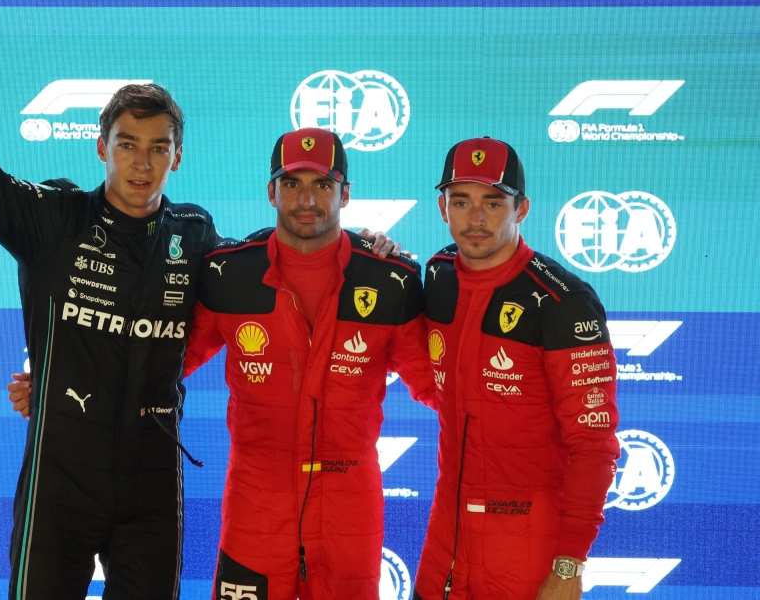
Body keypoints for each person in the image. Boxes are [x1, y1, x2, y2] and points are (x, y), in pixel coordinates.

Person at [0, 0, 220, 599]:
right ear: (101, 146)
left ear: (177, 158)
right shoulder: (54, 218)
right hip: (60, 480)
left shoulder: (195, 234)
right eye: (128, 144)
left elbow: (266, 267)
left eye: (159, 147)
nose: (143, 162)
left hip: (151, 484)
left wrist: (369, 242)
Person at [181, 127, 435, 600]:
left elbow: (444, 387)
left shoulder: (389, 281)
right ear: (271, 190)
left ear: (346, 193)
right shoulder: (229, 274)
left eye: (322, 184)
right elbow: (158, 361)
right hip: (256, 505)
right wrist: (60, 380)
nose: (307, 199)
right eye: (292, 183)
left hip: (348, 509)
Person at [411, 137, 620, 600]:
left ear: (521, 209)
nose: (476, 218)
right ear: (442, 207)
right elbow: (436, 380)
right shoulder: (438, 276)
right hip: (446, 539)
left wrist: (568, 565)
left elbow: (593, 445)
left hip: (527, 548)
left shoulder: (565, 302)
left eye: (494, 202)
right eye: (461, 201)